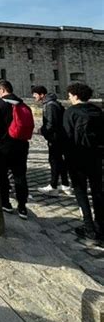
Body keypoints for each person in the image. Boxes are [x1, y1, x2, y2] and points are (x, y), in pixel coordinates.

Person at [63, 82, 104, 243]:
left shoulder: (71, 112)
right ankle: (100, 226)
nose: (69, 97)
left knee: (81, 193)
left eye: (70, 95)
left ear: (76, 96)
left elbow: (66, 137)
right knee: (98, 191)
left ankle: (89, 228)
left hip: (77, 158)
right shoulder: (98, 111)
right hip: (96, 157)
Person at [0, 80, 33, 219]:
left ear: (2, 90)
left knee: (2, 176)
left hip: (3, 147)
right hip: (21, 145)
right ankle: (22, 207)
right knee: (20, 176)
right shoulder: (23, 104)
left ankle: (6, 203)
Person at [32, 85, 71, 196]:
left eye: (35, 94)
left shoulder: (50, 105)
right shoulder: (52, 103)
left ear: (41, 94)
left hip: (56, 138)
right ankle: (65, 184)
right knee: (60, 161)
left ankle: (53, 186)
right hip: (59, 137)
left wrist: (42, 130)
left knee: (54, 161)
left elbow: (51, 123)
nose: (34, 97)